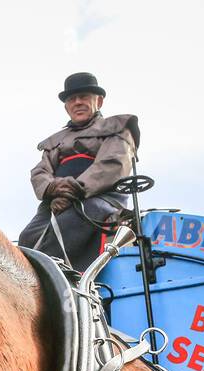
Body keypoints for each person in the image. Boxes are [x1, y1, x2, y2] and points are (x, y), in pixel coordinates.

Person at [17, 71, 140, 270]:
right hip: (56, 202)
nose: (78, 102)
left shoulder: (117, 129)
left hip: (99, 200)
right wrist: (54, 190)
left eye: (84, 97)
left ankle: (63, 282)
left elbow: (111, 165)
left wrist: (74, 190)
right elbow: (40, 172)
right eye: (72, 99)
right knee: (28, 236)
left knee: (70, 223)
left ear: (98, 101)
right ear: (66, 107)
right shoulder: (55, 141)